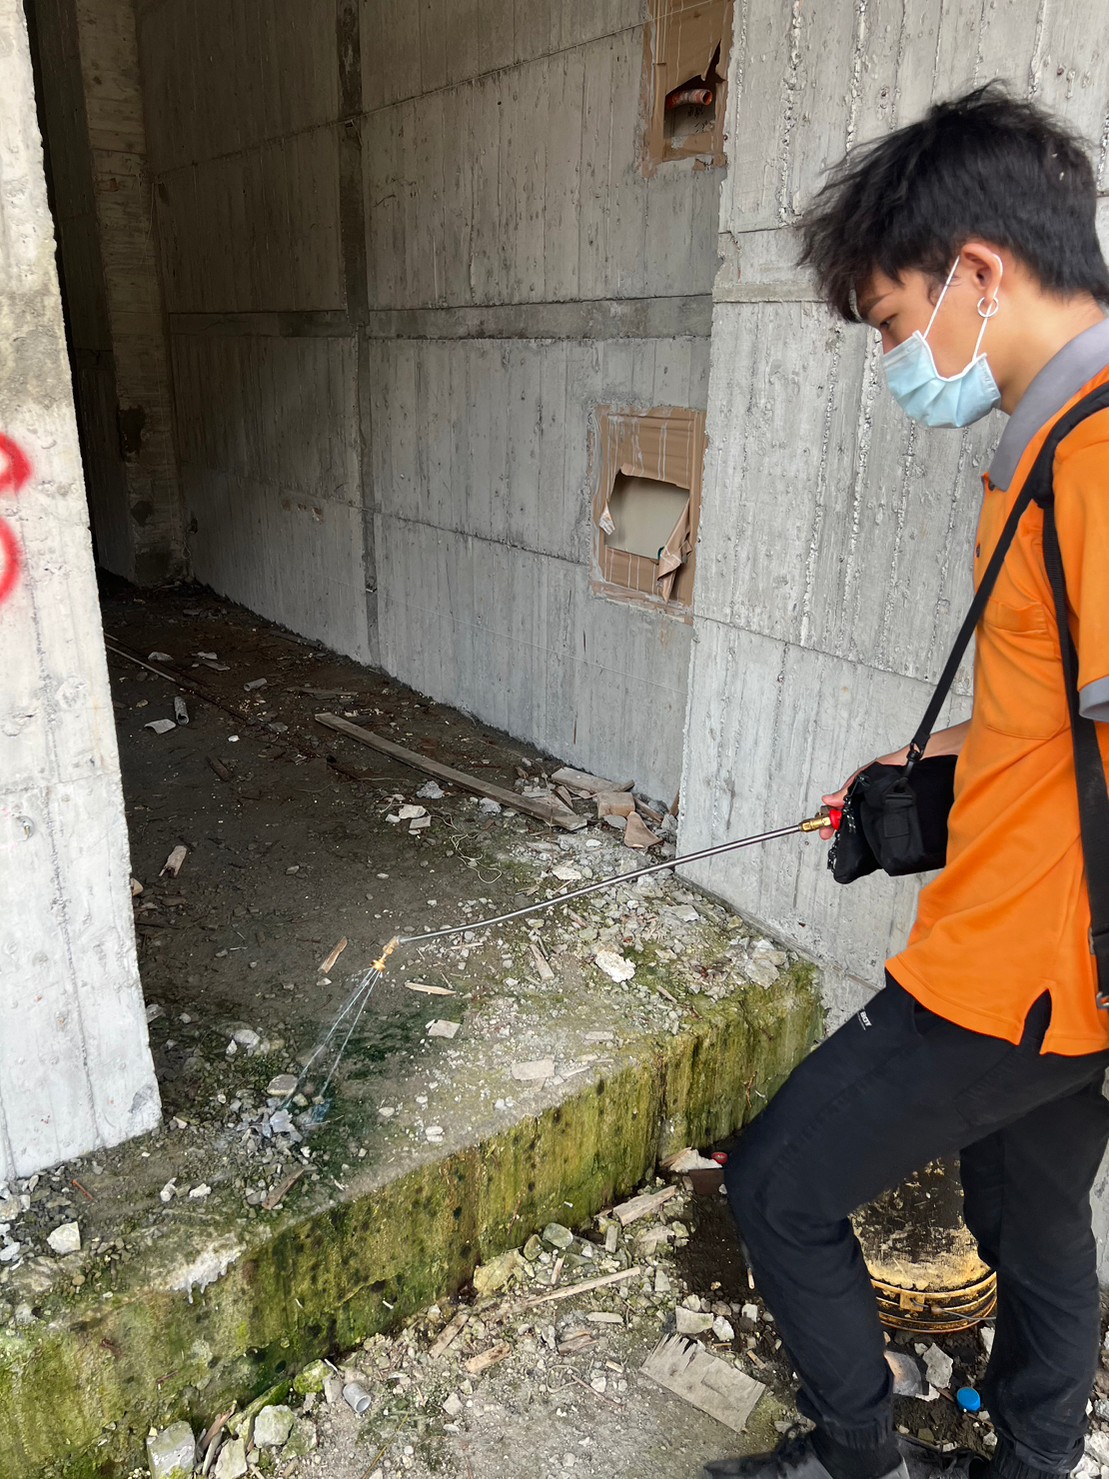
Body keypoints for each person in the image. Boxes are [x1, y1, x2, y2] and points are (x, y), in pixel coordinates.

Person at [704, 83, 1109, 1479]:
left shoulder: (1098, 456)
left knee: (778, 1184)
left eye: (890, 322)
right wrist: (940, 758)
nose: (893, 359)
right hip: (1060, 966)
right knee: (1031, 1219)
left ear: (977, 275)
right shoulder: (1056, 435)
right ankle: (1035, 1459)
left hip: (1021, 968)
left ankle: (855, 1459)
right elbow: (1070, 710)